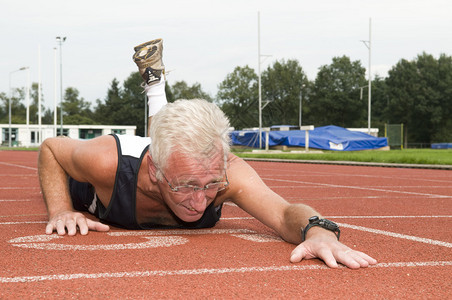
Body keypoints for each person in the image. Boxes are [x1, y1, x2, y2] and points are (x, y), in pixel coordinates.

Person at [38, 38, 377, 270]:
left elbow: (286, 212)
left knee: (173, 148)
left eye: (210, 184)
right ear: (155, 171)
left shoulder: (228, 173)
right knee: (159, 144)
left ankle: (156, 89)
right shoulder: (106, 160)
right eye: (185, 186)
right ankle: (155, 90)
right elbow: (51, 148)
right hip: (112, 178)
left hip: (167, 156)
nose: (200, 202)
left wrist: (317, 231)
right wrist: (60, 210)